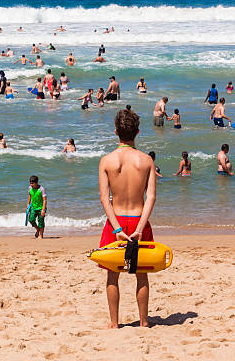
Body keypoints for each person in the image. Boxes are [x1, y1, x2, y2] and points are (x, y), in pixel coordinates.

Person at [98, 109, 157, 328]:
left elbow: (105, 199)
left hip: (116, 224)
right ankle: (143, 322)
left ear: (116, 132)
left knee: (112, 276)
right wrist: (140, 227)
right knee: (142, 275)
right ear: (138, 132)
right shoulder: (146, 161)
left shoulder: (107, 161)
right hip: (139, 221)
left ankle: (114, 323)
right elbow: (150, 197)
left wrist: (116, 229)